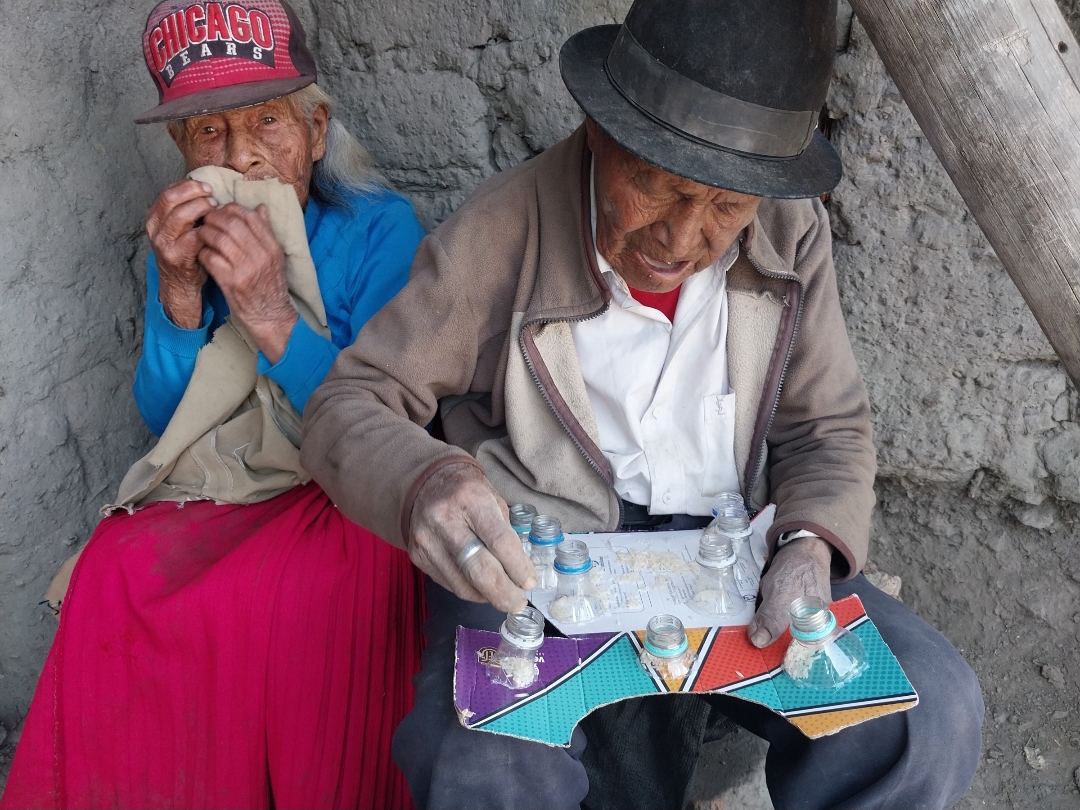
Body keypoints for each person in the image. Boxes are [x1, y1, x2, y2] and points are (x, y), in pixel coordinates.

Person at [300, 0, 986, 807]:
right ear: (601, 133)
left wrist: (807, 544)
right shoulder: (500, 233)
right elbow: (350, 403)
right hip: (542, 560)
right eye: (658, 188)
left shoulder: (788, 230)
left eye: (726, 206)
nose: (683, 239)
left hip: (729, 557)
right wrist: (428, 482)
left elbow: (825, 427)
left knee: (927, 711)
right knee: (489, 755)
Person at [1, 2, 426, 808]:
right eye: (208, 132)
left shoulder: (382, 230)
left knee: (285, 597)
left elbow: (383, 426)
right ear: (181, 148)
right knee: (113, 570)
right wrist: (178, 290)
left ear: (316, 131)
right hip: (224, 482)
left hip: (342, 488)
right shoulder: (186, 234)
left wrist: (268, 313)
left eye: (268, 120)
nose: (240, 157)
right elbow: (168, 421)